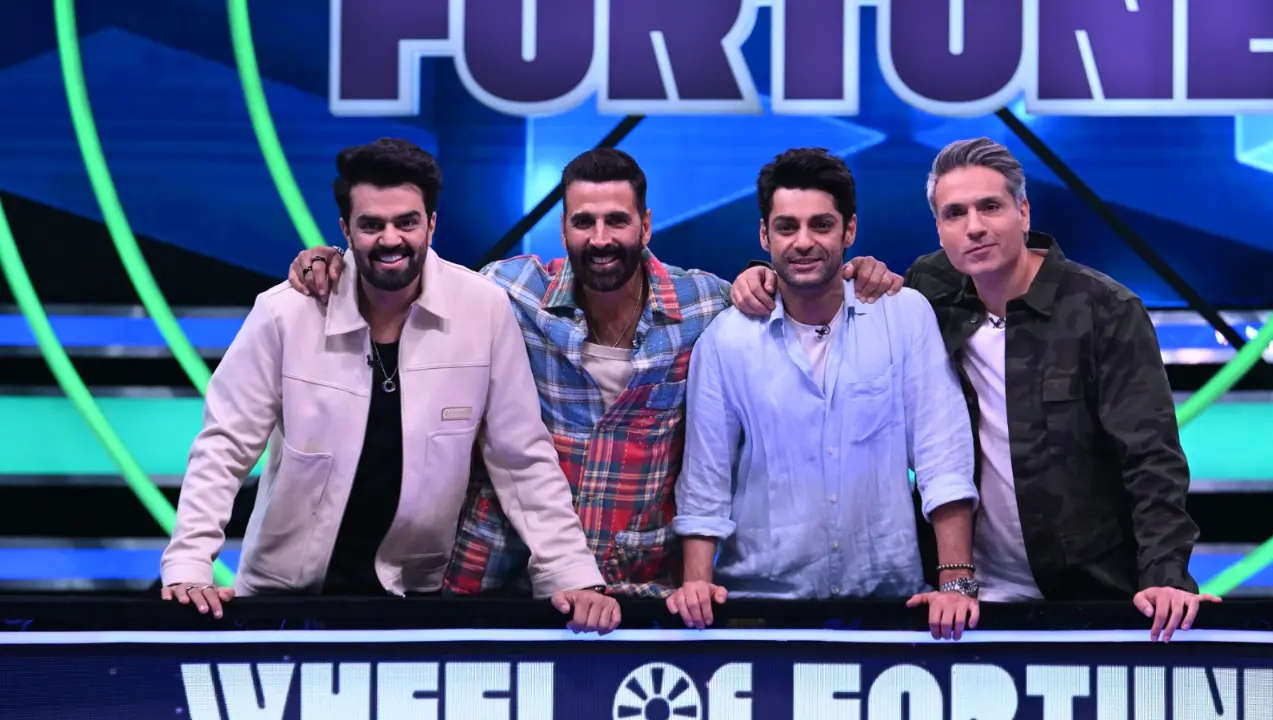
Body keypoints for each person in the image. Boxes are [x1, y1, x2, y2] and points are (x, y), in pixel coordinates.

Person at [286, 148, 903, 598]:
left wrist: (839, 272)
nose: (600, 237)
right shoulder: (509, 293)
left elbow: (791, 284)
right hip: (500, 578)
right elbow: (405, 266)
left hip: (641, 589)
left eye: (617, 221)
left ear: (646, 225)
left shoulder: (706, 306)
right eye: (584, 222)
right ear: (563, 228)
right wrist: (333, 260)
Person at [730, 137, 1217, 642]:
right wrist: (759, 277)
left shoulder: (1105, 311)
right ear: (939, 229)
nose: (975, 227)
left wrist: (1165, 576)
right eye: (955, 213)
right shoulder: (929, 290)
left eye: (990, 207)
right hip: (962, 604)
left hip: (1090, 595)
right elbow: (828, 281)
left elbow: (1151, 460)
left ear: (1023, 212)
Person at [160, 139, 620, 634]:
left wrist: (572, 574)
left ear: (431, 224)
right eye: (371, 225)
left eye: (406, 222)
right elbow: (224, 446)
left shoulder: (483, 310)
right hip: (281, 596)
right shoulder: (284, 313)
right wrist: (189, 562)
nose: (390, 239)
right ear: (345, 231)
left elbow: (521, 457)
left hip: (413, 596)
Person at [668, 148, 980, 641]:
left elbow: (943, 458)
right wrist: (696, 587)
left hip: (890, 604)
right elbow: (705, 482)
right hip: (757, 608)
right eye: (787, 227)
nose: (803, 242)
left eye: (821, 225)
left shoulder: (904, 315)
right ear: (764, 236)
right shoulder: (726, 339)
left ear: (849, 230)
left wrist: (957, 584)